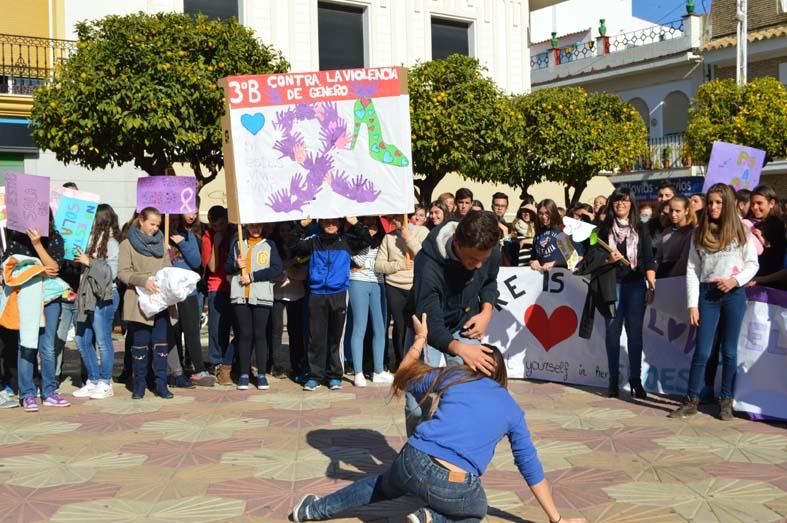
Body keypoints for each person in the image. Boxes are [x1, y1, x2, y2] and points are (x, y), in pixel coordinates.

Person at [290, 314, 586, 523]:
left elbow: (404, 374)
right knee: (474, 511)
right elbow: (530, 467)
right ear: (500, 375)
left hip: (412, 459)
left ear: (472, 364)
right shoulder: (512, 410)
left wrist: (420, 339)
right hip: (454, 482)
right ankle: (429, 518)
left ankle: (312, 511)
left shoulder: (454, 376)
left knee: (379, 486)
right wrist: (556, 519)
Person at [405, 211, 500, 435]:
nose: (478, 266)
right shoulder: (427, 264)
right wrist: (461, 350)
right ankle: (417, 456)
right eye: (472, 259)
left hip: (465, 324)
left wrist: (486, 311)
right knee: (418, 405)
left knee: (466, 399)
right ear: (456, 242)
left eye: (483, 260)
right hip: (426, 330)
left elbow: (489, 281)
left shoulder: (490, 247)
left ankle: (455, 457)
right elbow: (433, 326)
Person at [669, 184, 759, 421]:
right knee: (703, 351)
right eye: (710, 202)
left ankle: (725, 400)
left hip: (733, 294)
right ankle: (691, 400)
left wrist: (735, 280)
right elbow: (692, 269)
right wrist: (692, 304)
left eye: (718, 202)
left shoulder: (741, 231)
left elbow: (752, 264)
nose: (713, 207)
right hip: (707, 296)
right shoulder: (699, 232)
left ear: (728, 203)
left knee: (729, 351)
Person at [288, 216, 371, 391]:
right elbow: (293, 244)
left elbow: (366, 240)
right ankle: (314, 376)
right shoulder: (313, 241)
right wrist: (301, 226)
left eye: (334, 222)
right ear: (320, 223)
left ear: (340, 223)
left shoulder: (346, 241)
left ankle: (334, 376)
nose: (331, 225)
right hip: (317, 293)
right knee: (315, 337)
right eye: (327, 222)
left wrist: (355, 223)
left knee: (336, 337)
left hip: (339, 293)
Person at [2, 216, 68, 411]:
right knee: (27, 345)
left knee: (47, 347)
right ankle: (27, 393)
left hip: (50, 300)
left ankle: (49, 391)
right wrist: (39, 270)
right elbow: (9, 267)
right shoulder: (16, 239)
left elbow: (54, 268)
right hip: (25, 298)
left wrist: (37, 245)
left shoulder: (55, 238)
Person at [597, 188, 656, 399]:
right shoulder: (603, 229)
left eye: (625, 201)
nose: (621, 204)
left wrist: (651, 286)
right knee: (612, 334)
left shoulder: (640, 228)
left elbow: (649, 259)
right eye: (617, 201)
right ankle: (613, 379)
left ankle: (635, 380)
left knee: (635, 335)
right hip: (612, 286)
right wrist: (608, 260)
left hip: (636, 285)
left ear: (631, 203)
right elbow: (592, 258)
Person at [117, 207, 177, 400]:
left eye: (157, 225)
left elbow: (167, 268)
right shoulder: (127, 245)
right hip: (139, 302)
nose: (154, 228)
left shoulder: (162, 243)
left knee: (161, 344)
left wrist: (170, 279)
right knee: (140, 345)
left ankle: (161, 384)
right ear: (140, 221)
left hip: (160, 301)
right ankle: (139, 384)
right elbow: (123, 273)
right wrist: (143, 281)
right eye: (152, 224)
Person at [225, 223, 283, 390]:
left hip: (261, 294)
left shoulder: (269, 244)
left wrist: (252, 276)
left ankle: (262, 374)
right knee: (244, 334)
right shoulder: (237, 244)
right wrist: (236, 264)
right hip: (241, 295)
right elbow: (227, 268)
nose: (255, 229)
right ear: (246, 226)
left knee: (260, 334)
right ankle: (244, 373)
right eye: (252, 226)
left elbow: (276, 269)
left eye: (258, 226)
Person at [72, 204, 120, 400]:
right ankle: (93, 379)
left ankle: (105, 381)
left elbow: (112, 274)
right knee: (82, 338)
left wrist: (89, 262)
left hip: (105, 298)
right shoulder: (90, 241)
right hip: (86, 296)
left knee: (103, 341)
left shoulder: (112, 244)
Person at [376, 214, 429, 372]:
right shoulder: (388, 238)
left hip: (415, 285)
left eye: (400, 217)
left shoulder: (422, 232)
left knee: (416, 325)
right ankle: (401, 361)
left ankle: (417, 360)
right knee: (400, 325)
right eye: (394, 218)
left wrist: (409, 239)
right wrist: (398, 265)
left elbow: (425, 256)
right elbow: (379, 265)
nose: (396, 221)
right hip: (395, 285)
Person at [168, 214, 215, 387]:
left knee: (191, 331)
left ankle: (199, 368)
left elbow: (196, 262)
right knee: (172, 331)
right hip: (168, 294)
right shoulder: (159, 237)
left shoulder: (189, 236)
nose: (192, 216)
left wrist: (181, 243)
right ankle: (176, 370)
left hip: (188, 292)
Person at [347, 217, 391, 387]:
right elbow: (356, 261)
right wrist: (372, 264)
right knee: (360, 327)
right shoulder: (353, 239)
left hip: (378, 283)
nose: (371, 231)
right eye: (367, 227)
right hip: (358, 282)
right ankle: (358, 372)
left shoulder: (383, 241)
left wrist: (371, 264)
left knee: (380, 328)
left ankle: (378, 370)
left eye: (373, 227)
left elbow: (383, 263)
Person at [269, 222, 307, 380]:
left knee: (296, 332)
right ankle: (275, 365)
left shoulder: (300, 247)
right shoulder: (273, 248)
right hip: (276, 294)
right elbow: (272, 274)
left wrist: (287, 269)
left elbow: (303, 274)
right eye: (282, 230)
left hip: (296, 294)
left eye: (288, 230)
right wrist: (288, 268)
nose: (284, 233)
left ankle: (297, 365)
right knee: (275, 332)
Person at [201, 205, 234, 385]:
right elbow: (212, 267)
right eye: (216, 224)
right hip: (216, 287)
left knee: (234, 328)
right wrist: (216, 243)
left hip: (233, 287)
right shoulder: (208, 237)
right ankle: (216, 361)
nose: (219, 226)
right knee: (216, 329)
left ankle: (231, 361)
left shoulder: (234, 234)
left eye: (223, 223)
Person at [749, 184, 786, 290]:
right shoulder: (756, 223)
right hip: (755, 278)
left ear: (772, 203)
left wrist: (762, 239)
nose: (755, 207)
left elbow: (777, 251)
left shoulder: (778, 224)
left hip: (771, 282)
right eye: (752, 204)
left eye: (759, 203)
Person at [655, 195, 696, 278]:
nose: (673, 214)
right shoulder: (666, 232)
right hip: (664, 275)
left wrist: (672, 275)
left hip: (682, 277)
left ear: (686, 211)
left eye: (678, 211)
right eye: (671, 210)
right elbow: (659, 257)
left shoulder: (691, 232)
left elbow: (685, 260)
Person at [531, 199, 572, 272]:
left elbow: (573, 259)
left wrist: (554, 263)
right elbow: (534, 257)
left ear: (553, 213)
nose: (543, 216)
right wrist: (533, 262)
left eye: (547, 213)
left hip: (560, 276)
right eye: (540, 213)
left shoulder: (561, 231)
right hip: (541, 277)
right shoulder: (539, 232)